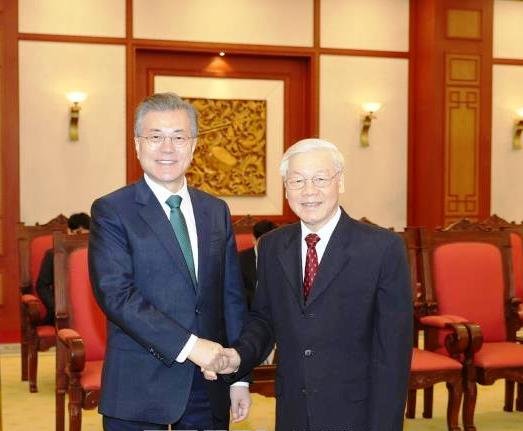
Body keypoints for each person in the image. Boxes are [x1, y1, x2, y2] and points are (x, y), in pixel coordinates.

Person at [211, 138, 413, 431]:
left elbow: (393, 351)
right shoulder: (271, 246)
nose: (308, 191)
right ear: (286, 189)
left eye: (320, 179)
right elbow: (264, 319)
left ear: (340, 182)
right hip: (293, 407)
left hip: (356, 412)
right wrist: (239, 356)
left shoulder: (382, 248)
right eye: (297, 181)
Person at [88, 92, 250, 431]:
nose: (167, 148)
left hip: (208, 383)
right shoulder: (112, 211)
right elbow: (116, 295)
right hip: (139, 386)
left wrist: (238, 377)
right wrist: (191, 347)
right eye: (155, 137)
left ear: (193, 145)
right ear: (137, 145)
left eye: (178, 137)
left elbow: (231, 297)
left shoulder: (215, 210)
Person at [36, 212, 90, 325]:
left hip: (89, 310)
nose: (81, 239)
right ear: (69, 231)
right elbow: (42, 286)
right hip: (61, 311)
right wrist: (57, 306)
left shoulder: (95, 253)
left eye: (86, 235)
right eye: (78, 233)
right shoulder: (53, 254)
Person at [238, 219, 277, 309]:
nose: (269, 246)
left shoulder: (283, 257)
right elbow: (236, 291)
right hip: (249, 310)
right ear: (254, 239)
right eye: (264, 242)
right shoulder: (239, 259)